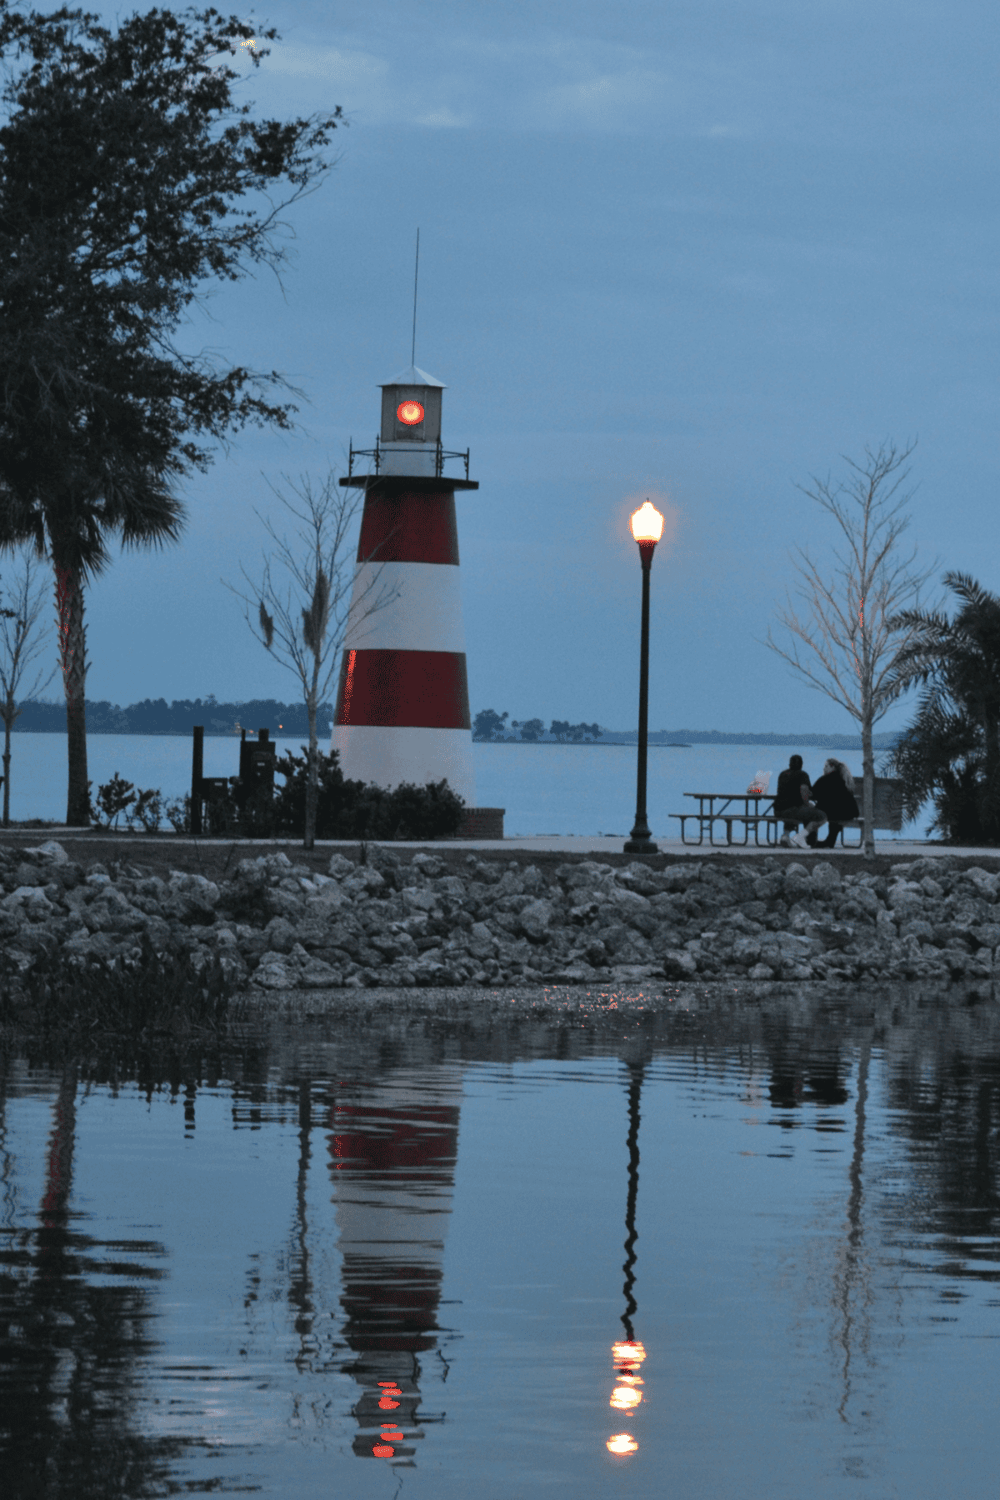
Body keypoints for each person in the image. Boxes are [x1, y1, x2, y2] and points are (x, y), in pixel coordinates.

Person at [772, 755, 827, 848]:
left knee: (793, 811)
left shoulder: (783, 774)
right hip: (792, 809)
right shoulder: (802, 775)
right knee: (822, 816)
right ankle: (801, 837)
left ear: (789, 764)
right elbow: (804, 790)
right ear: (801, 765)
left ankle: (785, 836)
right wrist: (806, 804)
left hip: (778, 810)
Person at [810, 759, 859, 848]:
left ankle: (811, 840)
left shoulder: (825, 779)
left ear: (833, 767)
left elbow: (813, 794)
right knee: (831, 810)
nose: (823, 769)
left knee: (817, 811)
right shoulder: (844, 779)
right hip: (850, 813)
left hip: (837, 813)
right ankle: (830, 840)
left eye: (826, 766)